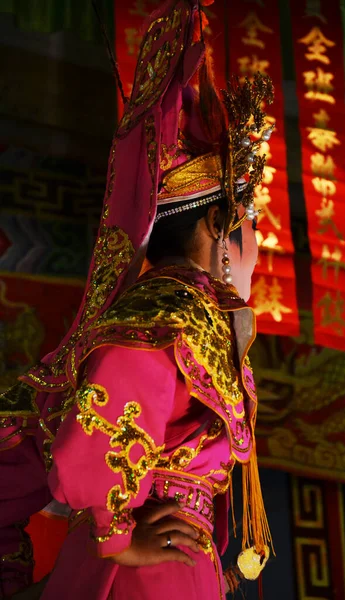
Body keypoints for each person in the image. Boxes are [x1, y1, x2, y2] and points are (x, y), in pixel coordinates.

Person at [0, 1, 275, 598]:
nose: (259, 249)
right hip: (148, 567)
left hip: (174, 558)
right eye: (255, 227)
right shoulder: (173, 310)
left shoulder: (175, 311)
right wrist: (115, 535)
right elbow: (118, 392)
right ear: (221, 229)